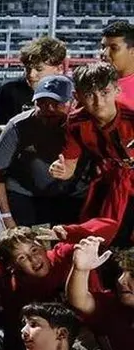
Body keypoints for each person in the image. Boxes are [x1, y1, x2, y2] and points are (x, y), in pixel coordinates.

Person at [0, 74, 85, 228]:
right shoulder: (18, 125)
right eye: (42, 103)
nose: (49, 109)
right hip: (25, 193)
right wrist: (6, 217)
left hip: (71, 194)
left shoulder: (84, 124)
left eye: (57, 103)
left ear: (73, 102)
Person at [51, 62, 134, 231]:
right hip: (108, 183)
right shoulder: (76, 122)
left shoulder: (131, 117)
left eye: (105, 93)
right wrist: (62, 170)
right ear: (77, 96)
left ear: (117, 90)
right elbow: (69, 166)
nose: (99, 102)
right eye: (89, 94)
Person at [65, 237, 134, 350]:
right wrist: (80, 270)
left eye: (132, 276)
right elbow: (79, 300)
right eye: (122, 273)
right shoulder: (113, 307)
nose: (121, 281)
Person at [0, 37, 67, 130]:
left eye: (39, 69)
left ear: (59, 69)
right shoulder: (9, 89)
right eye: (27, 68)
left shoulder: (72, 95)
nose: (31, 74)